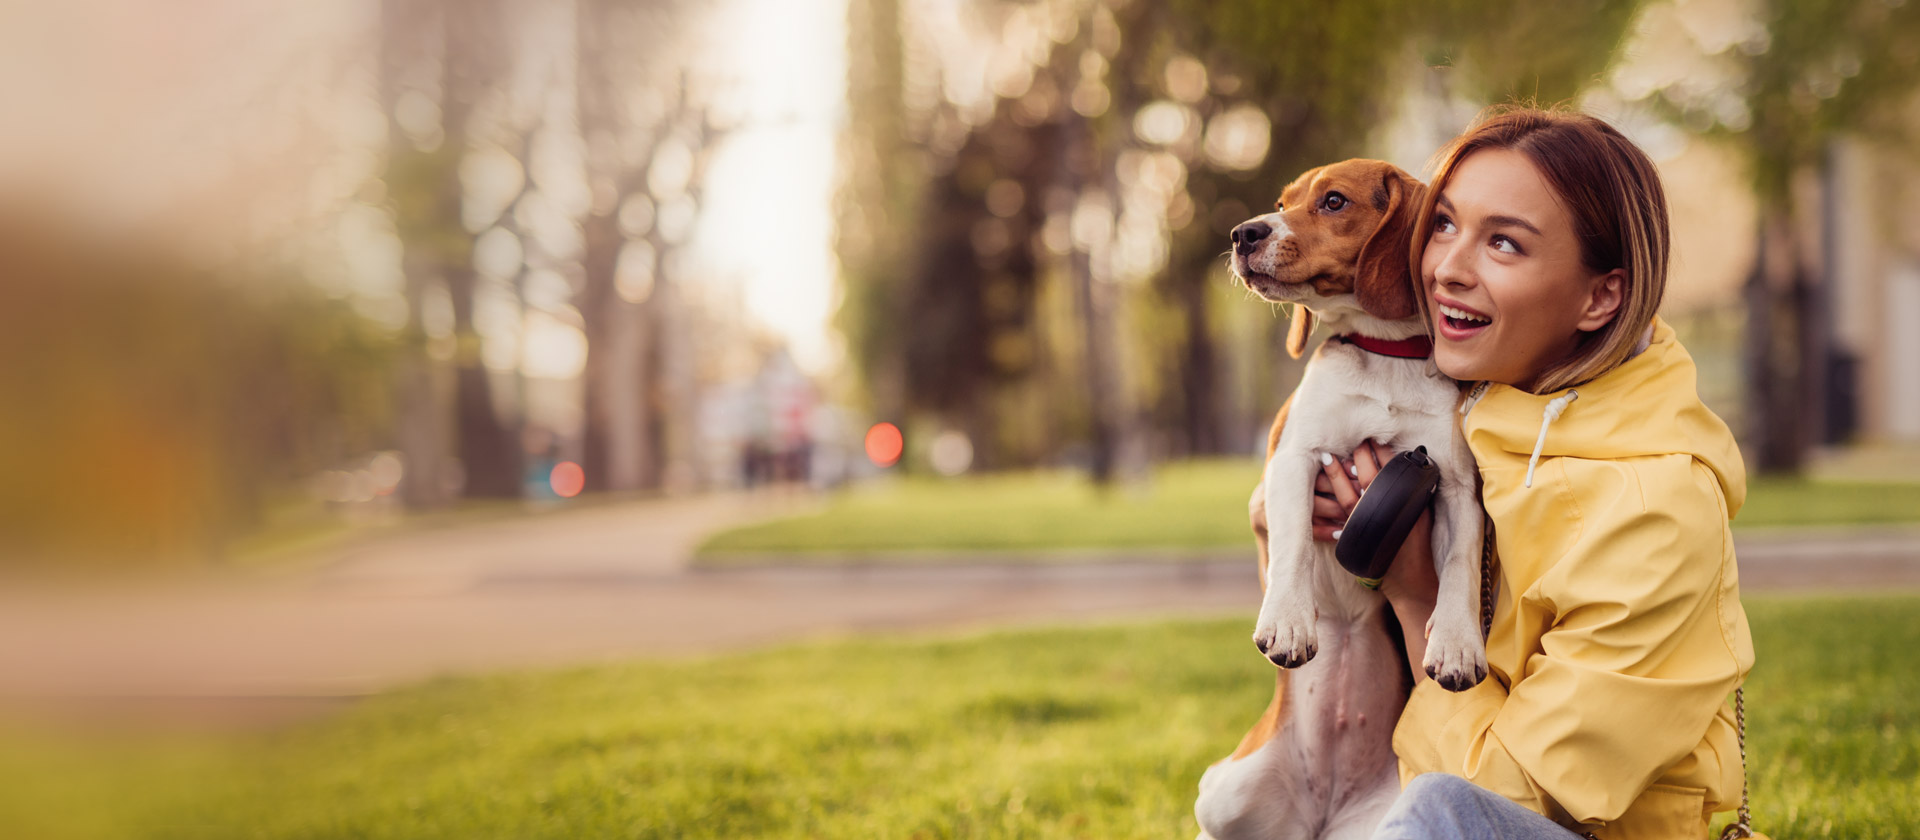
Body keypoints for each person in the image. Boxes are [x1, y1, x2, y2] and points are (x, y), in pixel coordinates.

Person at [1308, 107, 1757, 840]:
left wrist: (1418, 597)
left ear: (1600, 298)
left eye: (1505, 244)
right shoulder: (1468, 421)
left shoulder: (1653, 511)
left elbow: (1502, 798)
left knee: (1434, 814)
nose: (1446, 268)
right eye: (1445, 224)